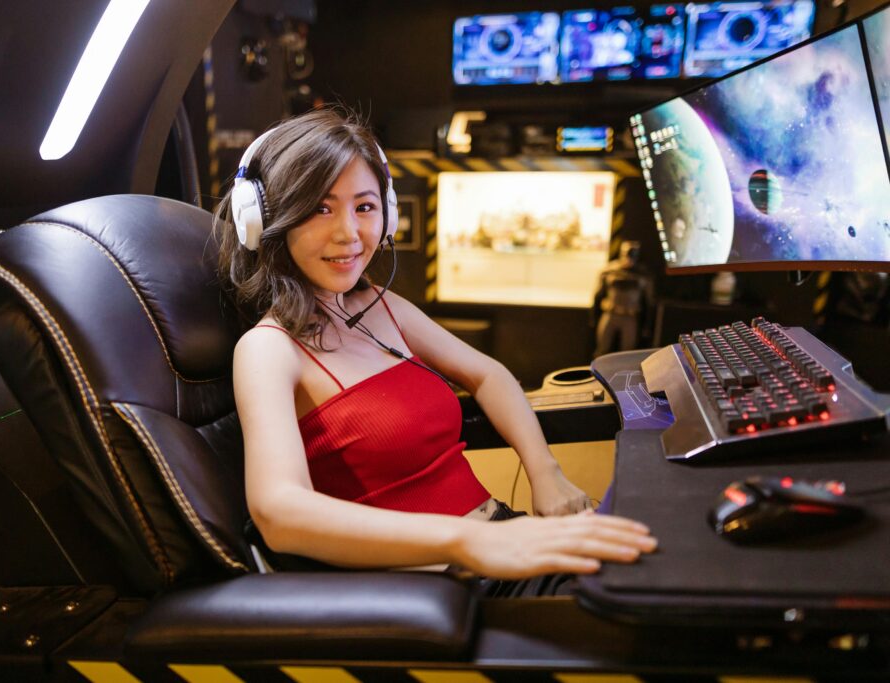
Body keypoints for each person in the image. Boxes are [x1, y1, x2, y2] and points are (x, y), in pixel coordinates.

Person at [213, 108, 656, 591]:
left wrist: (545, 473)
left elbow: (487, 374)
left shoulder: (380, 307)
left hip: (497, 540)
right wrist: (465, 542)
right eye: (321, 208)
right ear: (264, 220)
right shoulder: (267, 349)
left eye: (364, 207)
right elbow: (279, 512)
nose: (349, 233)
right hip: (441, 582)